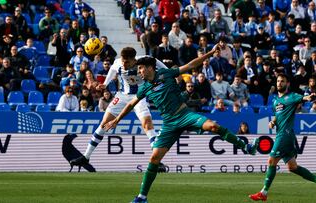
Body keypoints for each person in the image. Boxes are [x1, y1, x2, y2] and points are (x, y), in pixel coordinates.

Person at [104, 48, 259, 203]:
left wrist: (210, 53)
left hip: (185, 115)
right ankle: (142, 197)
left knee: (213, 126)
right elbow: (131, 104)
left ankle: (246, 147)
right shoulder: (144, 87)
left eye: (141, 68)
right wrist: (117, 120)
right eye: (138, 68)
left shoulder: (167, 73)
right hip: (169, 124)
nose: (139, 71)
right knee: (154, 159)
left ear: (150, 68)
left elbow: (191, 65)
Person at [69, 47, 168, 169]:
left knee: (147, 124)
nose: (124, 64)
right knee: (104, 124)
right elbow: (112, 69)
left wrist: (168, 71)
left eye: (127, 62)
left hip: (139, 96)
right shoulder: (118, 62)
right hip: (121, 96)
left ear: (133, 60)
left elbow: (155, 60)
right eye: (123, 61)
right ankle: (86, 157)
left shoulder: (142, 61)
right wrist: (105, 83)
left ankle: (157, 161)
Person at [249, 73, 316, 201]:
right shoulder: (275, 101)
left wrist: (309, 97)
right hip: (284, 134)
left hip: (284, 135)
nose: (279, 83)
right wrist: (273, 122)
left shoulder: (292, 96)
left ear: (287, 84)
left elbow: (304, 98)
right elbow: (277, 115)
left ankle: (263, 192)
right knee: (293, 167)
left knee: (271, 161)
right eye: (278, 81)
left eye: (282, 81)